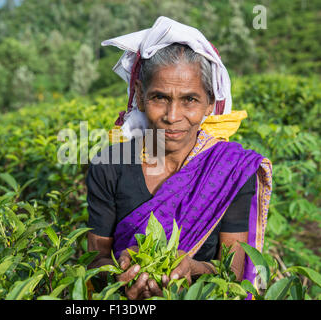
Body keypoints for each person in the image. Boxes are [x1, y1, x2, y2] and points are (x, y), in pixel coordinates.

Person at [86, 17, 272, 300]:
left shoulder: (229, 169)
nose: (172, 117)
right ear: (139, 94)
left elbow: (231, 272)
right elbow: (95, 260)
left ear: (210, 102)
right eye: (159, 97)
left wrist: (191, 268)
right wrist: (120, 272)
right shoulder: (109, 166)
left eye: (190, 100)